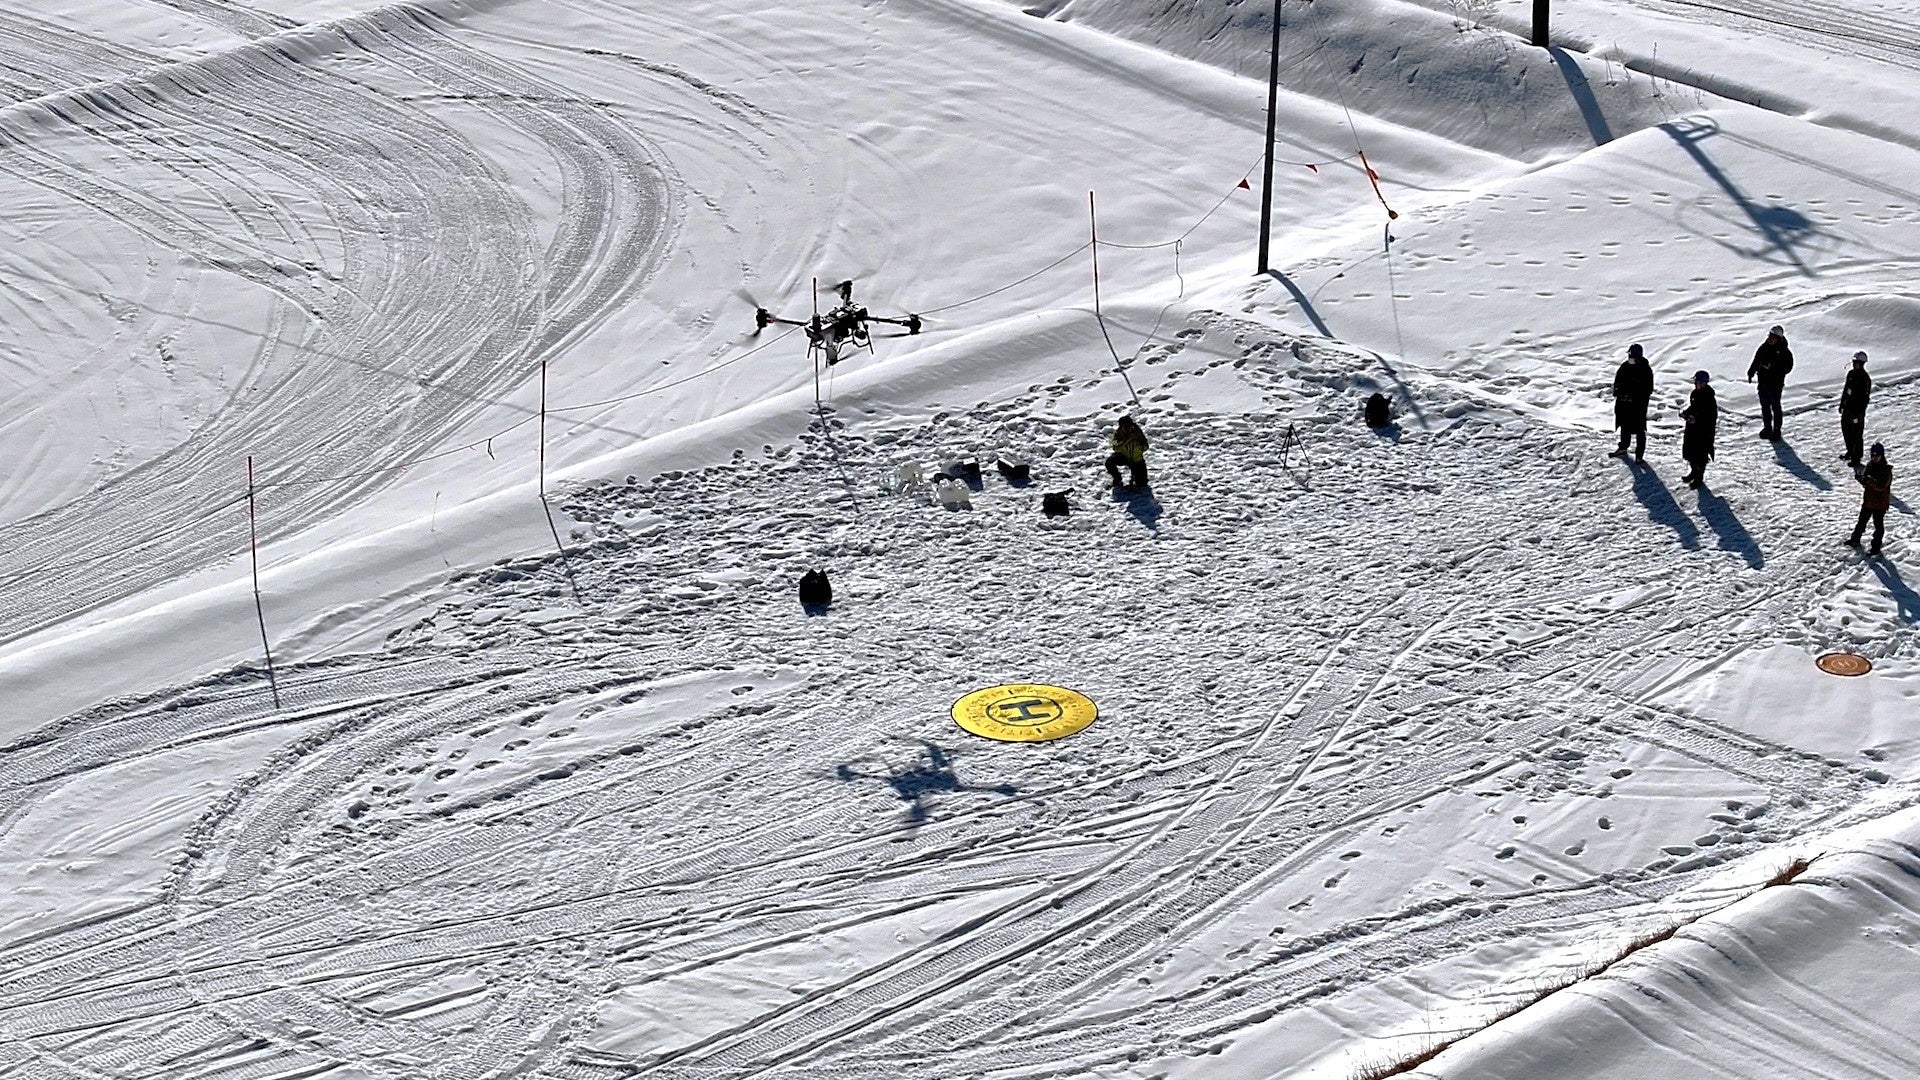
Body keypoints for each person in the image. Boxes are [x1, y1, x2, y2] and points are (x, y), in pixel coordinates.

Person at [1746, 324, 1793, 439]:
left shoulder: (1784, 351)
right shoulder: (1764, 347)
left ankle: (1777, 430)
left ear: (1779, 339)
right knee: (1765, 405)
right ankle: (1767, 427)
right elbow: (1757, 360)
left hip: (1776, 383)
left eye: (1773, 337)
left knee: (1775, 406)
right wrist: (1751, 371)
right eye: (1770, 336)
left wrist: (1774, 369)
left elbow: (1788, 366)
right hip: (1763, 382)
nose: (1770, 339)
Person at [1845, 443, 1892, 556]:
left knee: (1878, 527)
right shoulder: (1869, 466)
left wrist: (1869, 480)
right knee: (1861, 522)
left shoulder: (1886, 470)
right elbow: (1866, 484)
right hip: (1868, 501)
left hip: (1880, 504)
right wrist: (1860, 479)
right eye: (1872, 455)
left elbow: (1881, 487)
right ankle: (1855, 539)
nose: (1874, 457)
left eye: (1877, 455)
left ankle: (1875, 547)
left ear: (1882, 455)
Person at [1610, 343, 1654, 461]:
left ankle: (1639, 455)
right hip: (1623, 405)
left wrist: (1633, 397)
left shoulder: (1645, 369)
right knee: (1624, 426)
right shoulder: (1624, 367)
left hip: (1638, 406)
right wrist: (1618, 392)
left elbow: (1648, 389)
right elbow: (1617, 382)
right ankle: (1623, 447)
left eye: (1632, 355)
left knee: (1639, 429)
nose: (1630, 357)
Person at [1681, 370, 1717, 489]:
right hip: (1692, 429)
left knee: (1700, 455)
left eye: (1697, 381)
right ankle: (1693, 472)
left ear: (1703, 383)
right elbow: (1693, 407)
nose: (1695, 384)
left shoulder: (1709, 398)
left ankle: (1699, 477)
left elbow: (1710, 416)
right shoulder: (1694, 394)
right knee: (1690, 452)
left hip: (1703, 431)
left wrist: (1697, 419)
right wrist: (1686, 413)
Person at [1839, 351, 1871, 468]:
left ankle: (1857, 457)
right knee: (1846, 430)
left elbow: (1865, 398)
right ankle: (1850, 451)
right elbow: (1846, 390)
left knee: (1857, 434)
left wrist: (1860, 413)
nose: (1854, 364)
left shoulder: (1865, 379)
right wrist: (1842, 404)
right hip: (1848, 408)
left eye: (1856, 362)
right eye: (1854, 362)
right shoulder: (1851, 374)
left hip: (1857, 411)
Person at [1105, 416, 1149, 490]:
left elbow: (1146, 446)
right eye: (1125, 427)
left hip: (1137, 459)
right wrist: (1126, 441)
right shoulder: (1118, 434)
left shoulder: (1138, 433)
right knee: (1109, 462)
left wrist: (1140, 446)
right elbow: (1116, 448)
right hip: (1124, 457)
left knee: (1142, 483)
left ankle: (1135, 475)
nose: (1128, 429)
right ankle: (1117, 478)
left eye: (1129, 426)